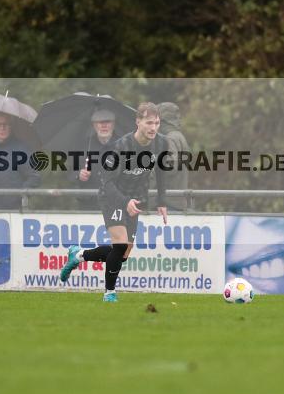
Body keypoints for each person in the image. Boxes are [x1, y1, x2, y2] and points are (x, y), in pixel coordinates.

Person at [60, 102, 168, 301]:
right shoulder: (120, 147)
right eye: (149, 122)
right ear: (138, 122)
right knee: (118, 247)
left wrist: (161, 201)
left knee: (123, 254)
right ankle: (109, 293)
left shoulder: (161, 143)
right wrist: (124, 201)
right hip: (112, 197)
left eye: (157, 123)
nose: (153, 128)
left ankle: (79, 255)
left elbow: (161, 172)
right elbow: (106, 182)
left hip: (134, 201)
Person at [0, 112, 40, 210]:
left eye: (6, 124)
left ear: (11, 126)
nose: (2, 128)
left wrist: (20, 194)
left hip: (17, 209)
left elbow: (35, 177)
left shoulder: (22, 148)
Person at [71, 108, 117, 210]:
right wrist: (79, 174)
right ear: (94, 125)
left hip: (115, 203)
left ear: (113, 124)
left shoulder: (123, 145)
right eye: (100, 122)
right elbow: (71, 172)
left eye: (107, 122)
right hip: (88, 204)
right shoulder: (82, 145)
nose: (104, 125)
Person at [157, 102, 190, 211]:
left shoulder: (169, 138)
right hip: (176, 200)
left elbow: (170, 167)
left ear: (163, 120)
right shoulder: (178, 136)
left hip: (169, 203)